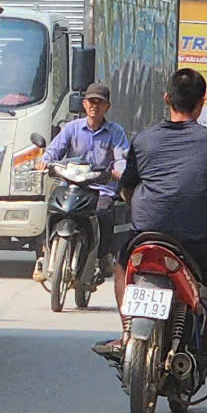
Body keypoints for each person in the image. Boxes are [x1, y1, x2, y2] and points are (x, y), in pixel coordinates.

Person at [115, 66, 207, 388]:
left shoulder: (144, 139)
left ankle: (126, 333)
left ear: (166, 99)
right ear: (202, 103)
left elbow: (126, 189)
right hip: (197, 244)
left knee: (121, 267)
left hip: (146, 237)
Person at [40, 82, 131, 286]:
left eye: (99, 102)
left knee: (103, 213)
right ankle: (44, 253)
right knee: (52, 207)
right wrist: (45, 161)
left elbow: (122, 157)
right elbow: (55, 150)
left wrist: (119, 170)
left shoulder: (115, 132)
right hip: (72, 185)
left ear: (107, 107)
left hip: (100, 188)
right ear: (84, 104)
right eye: (91, 102)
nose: (94, 106)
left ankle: (103, 256)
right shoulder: (71, 128)